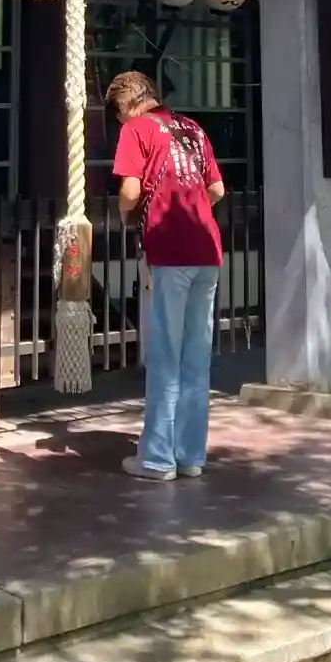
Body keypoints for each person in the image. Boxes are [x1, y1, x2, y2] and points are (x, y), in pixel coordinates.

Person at [108, 69, 225, 482]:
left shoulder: (136, 129)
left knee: (164, 355)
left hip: (169, 249)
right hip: (207, 247)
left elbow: (130, 192)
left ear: (127, 105)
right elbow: (216, 190)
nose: (120, 123)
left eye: (118, 115)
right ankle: (190, 455)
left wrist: (124, 213)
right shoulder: (191, 128)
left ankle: (157, 458)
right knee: (196, 358)